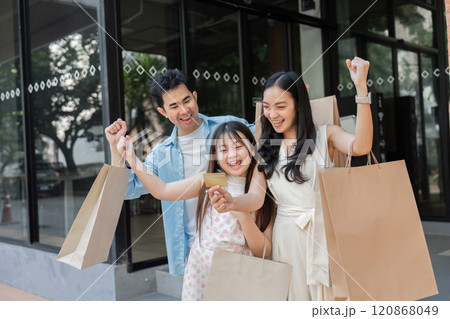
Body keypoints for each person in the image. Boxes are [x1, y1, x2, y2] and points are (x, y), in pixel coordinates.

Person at [210, 57, 373, 300]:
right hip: (287, 241)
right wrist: (232, 202)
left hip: (325, 236)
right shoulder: (265, 146)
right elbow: (256, 198)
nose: (272, 114)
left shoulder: (325, 134)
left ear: (298, 104)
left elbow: (361, 146)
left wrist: (361, 89)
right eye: (266, 106)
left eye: (280, 106)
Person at [104, 69, 254, 276]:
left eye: (187, 101)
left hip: (238, 244)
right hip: (192, 251)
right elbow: (126, 189)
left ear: (195, 97)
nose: (184, 110)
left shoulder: (228, 126)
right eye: (174, 106)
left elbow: (267, 138)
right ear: (163, 112)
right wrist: (115, 147)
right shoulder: (161, 154)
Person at [116, 121, 275, 300]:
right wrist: (131, 157)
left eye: (239, 146)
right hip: (202, 272)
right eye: (223, 150)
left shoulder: (262, 190)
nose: (232, 155)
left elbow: (263, 251)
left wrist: (243, 215)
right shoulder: (211, 180)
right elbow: (162, 190)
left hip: (240, 274)